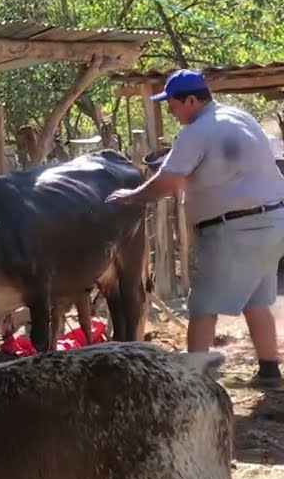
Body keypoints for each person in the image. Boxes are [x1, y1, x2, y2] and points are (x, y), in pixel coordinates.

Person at [107, 68, 284, 387]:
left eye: (172, 104)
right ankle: (270, 371)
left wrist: (132, 197)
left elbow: (167, 182)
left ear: (191, 100)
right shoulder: (239, 117)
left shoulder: (197, 131)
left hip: (234, 229)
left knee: (202, 306)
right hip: (273, 221)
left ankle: (193, 381)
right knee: (257, 300)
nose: (171, 111)